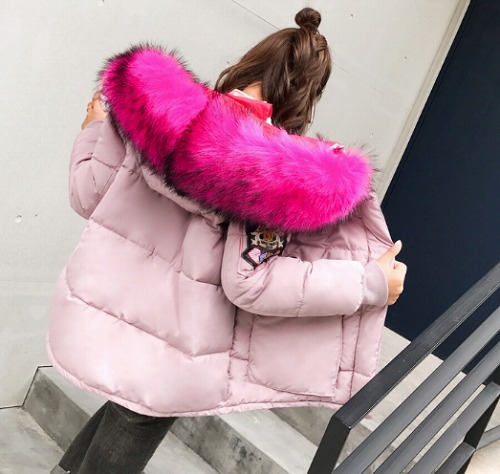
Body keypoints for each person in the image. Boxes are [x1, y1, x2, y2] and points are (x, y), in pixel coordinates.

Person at [49, 7, 406, 474]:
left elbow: (86, 195)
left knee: (124, 404)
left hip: (113, 309)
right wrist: (369, 282)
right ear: (307, 94)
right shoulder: (271, 171)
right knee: (134, 415)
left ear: (249, 62)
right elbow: (251, 282)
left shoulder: (152, 107)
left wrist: (94, 128)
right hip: (179, 347)